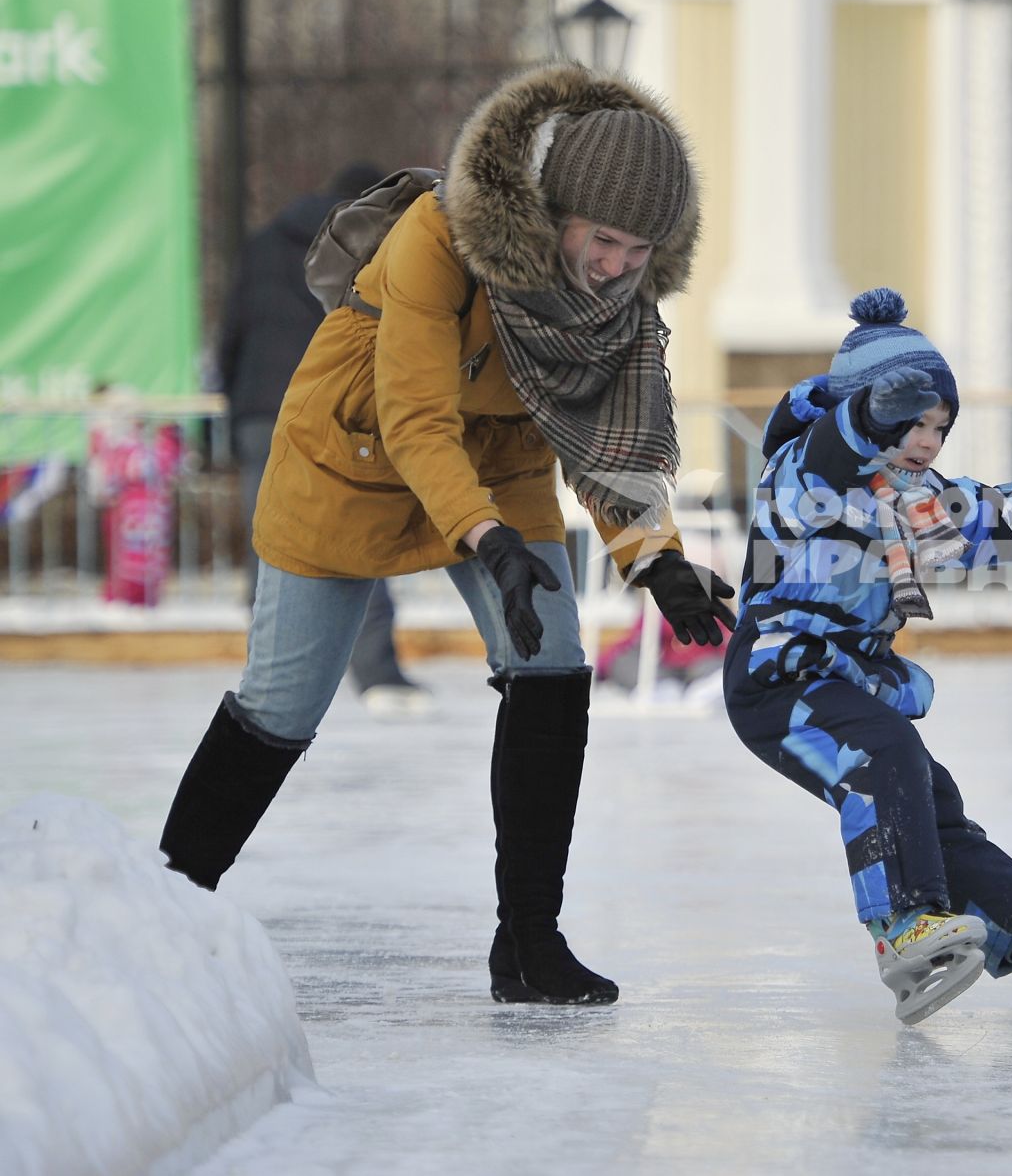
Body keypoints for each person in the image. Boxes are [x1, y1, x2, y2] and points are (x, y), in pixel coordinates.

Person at [157, 63, 737, 1006]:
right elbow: (416, 415)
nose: (617, 267)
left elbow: (614, 436)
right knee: (282, 704)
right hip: (350, 459)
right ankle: (165, 906)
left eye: (640, 251)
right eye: (604, 241)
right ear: (558, 213)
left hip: (499, 463)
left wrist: (655, 559)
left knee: (552, 665)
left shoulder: (620, 293)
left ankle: (529, 941)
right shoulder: (441, 237)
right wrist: (487, 538)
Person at [723, 288, 1012, 1025]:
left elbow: (1008, 516)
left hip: (843, 675)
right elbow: (829, 452)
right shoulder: (796, 474)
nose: (928, 440)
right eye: (912, 422)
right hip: (778, 675)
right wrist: (867, 418)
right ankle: (904, 926)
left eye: (940, 425)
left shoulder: (920, 501)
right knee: (884, 753)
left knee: (930, 805)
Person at [215, 161, 434, 716]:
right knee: (364, 530)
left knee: (268, 545)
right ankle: (379, 675)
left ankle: (271, 676)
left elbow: (231, 331)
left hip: (261, 412)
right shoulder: (379, 238)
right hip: (336, 407)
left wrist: (228, 411)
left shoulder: (264, 242)